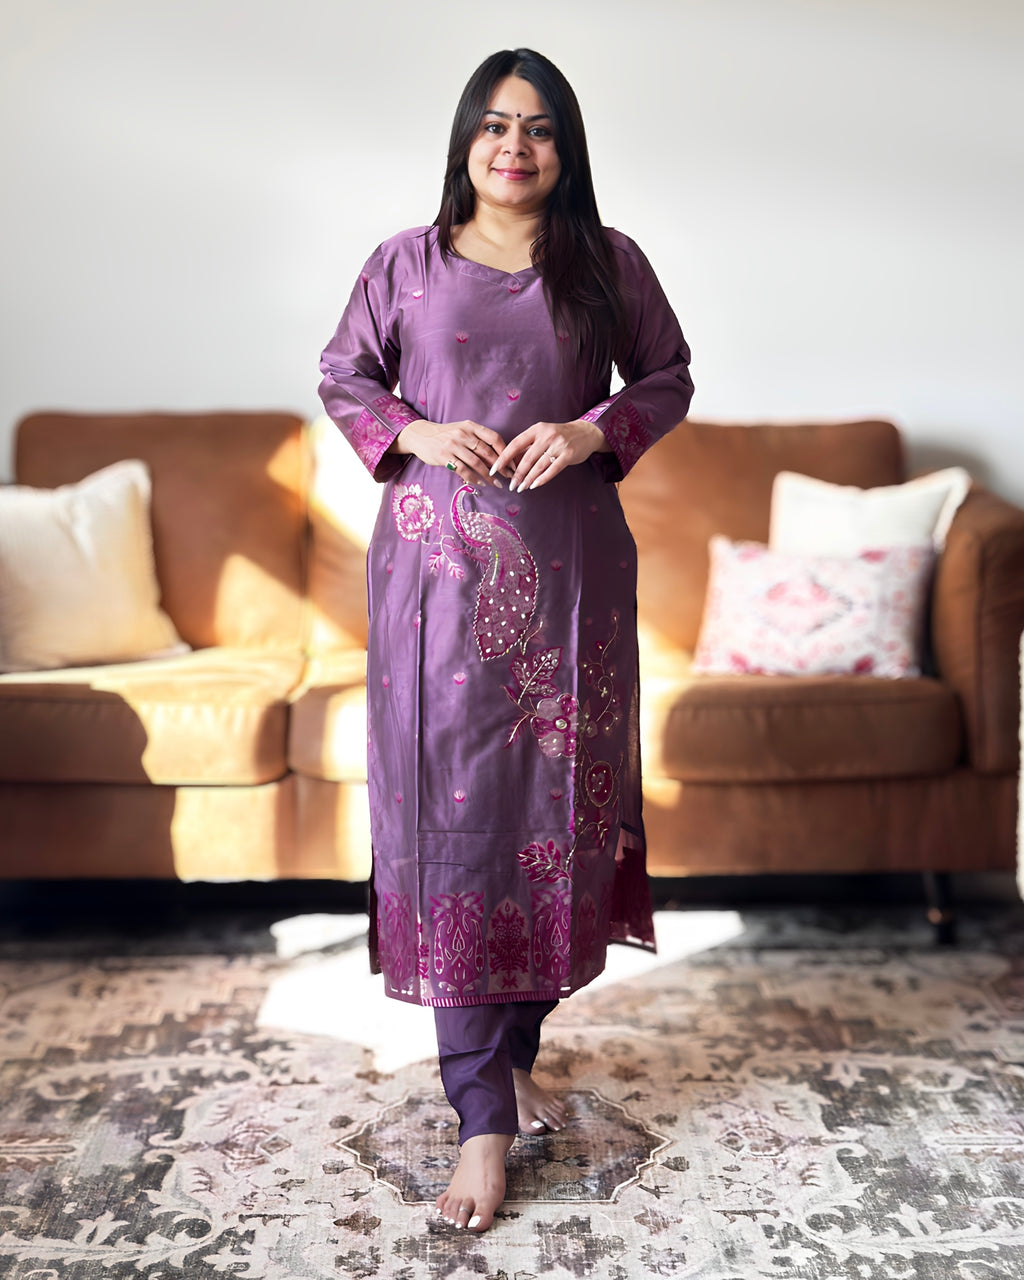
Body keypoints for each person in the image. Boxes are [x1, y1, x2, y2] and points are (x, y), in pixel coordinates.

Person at [318, 48, 693, 1233]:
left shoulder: (606, 264)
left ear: (564, 149)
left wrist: (590, 433)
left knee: (552, 825)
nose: (513, 147)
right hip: (433, 585)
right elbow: (343, 374)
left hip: (572, 580)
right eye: (493, 126)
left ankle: (515, 1047)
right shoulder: (404, 264)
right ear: (464, 143)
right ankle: (479, 1112)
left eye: (536, 129)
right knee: (455, 832)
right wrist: (415, 433)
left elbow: (669, 376)